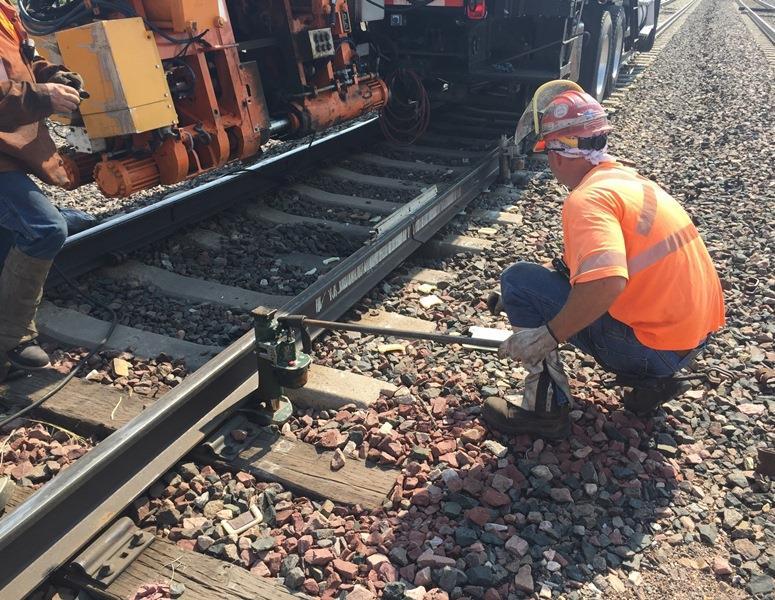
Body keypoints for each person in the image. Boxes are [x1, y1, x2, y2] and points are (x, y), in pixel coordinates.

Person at [482, 80, 725, 439]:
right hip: (690, 340)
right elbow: (590, 273)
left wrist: (547, 334)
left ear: (558, 154)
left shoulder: (587, 200)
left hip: (652, 348)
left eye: (547, 153)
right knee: (549, 283)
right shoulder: (626, 180)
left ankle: (544, 411)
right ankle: (652, 385)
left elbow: (609, 282)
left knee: (519, 279)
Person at [0, 0, 84, 379]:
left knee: (8, 235)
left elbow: (25, 62)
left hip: (8, 145)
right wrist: (40, 98)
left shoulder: (5, 12)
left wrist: (57, 76)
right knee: (45, 228)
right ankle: (12, 335)